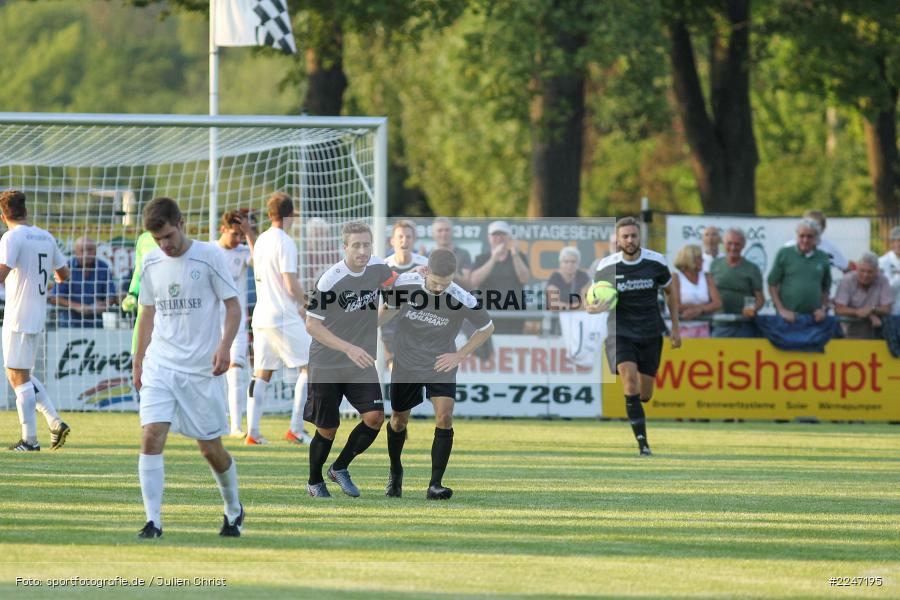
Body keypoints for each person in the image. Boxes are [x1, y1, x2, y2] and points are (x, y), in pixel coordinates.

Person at [132, 197, 244, 539]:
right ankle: (154, 521)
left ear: (180, 223)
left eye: (167, 236)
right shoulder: (151, 262)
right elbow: (147, 314)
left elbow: (234, 307)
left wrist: (224, 348)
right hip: (160, 365)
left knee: (210, 449)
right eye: (157, 239)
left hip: (200, 370)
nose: (163, 245)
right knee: (151, 435)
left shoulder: (209, 256)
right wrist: (137, 362)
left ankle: (233, 508)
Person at [378, 249, 494, 499]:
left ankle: (435, 485)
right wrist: (381, 313)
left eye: (446, 283)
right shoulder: (407, 284)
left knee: (445, 417)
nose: (440, 288)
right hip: (406, 362)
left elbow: (486, 328)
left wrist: (459, 354)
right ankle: (395, 472)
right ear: (426, 271)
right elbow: (384, 315)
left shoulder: (462, 297)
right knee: (398, 421)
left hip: (441, 363)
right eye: (435, 283)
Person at [304, 221, 397, 498]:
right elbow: (311, 325)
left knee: (375, 417)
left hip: (360, 360)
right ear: (344, 247)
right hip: (327, 362)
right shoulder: (330, 279)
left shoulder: (379, 268)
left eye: (366, 244)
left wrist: (386, 312)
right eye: (355, 245)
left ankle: (340, 467)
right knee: (328, 428)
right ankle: (314, 481)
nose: (362, 250)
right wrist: (348, 347)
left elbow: (395, 295)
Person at [588, 216, 681, 456]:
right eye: (625, 236)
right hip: (620, 332)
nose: (630, 240)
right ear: (617, 241)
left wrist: (676, 328)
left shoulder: (656, 263)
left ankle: (641, 428)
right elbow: (592, 298)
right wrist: (593, 307)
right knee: (629, 382)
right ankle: (643, 445)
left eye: (634, 236)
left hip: (650, 332)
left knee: (646, 395)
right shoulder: (606, 266)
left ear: (640, 237)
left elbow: (670, 293)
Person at [0, 190, 71, 452]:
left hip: (18, 314)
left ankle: (30, 441)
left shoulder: (11, 237)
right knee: (21, 374)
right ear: (25, 210)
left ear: (3, 214)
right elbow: (64, 275)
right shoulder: (45, 236)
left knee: (17, 376)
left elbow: (1, 273)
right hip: (37, 313)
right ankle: (54, 422)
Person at [247, 193, 313, 446]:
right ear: (291, 215)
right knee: (311, 366)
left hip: (261, 315)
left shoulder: (262, 239)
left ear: (269, 214)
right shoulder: (285, 242)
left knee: (261, 373)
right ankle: (296, 429)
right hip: (282, 315)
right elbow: (289, 282)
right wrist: (307, 301)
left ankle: (253, 432)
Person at [216, 210, 256, 439]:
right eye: (235, 234)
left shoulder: (243, 251)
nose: (237, 239)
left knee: (236, 372)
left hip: (237, 323)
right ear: (223, 229)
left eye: (241, 235)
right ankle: (213, 421)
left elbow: (259, 263)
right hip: (212, 323)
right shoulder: (210, 250)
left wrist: (249, 233)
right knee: (210, 374)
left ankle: (236, 426)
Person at [382, 220, 428, 366]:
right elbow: (387, 288)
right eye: (400, 236)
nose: (404, 240)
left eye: (408, 237)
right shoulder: (383, 266)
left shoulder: (425, 264)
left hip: (419, 330)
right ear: (392, 241)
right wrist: (411, 274)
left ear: (414, 240)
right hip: (390, 329)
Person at [470, 220, 529, 334]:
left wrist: (515, 254)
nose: (499, 238)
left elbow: (524, 279)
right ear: (489, 237)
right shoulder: (481, 258)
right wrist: (493, 258)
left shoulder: (519, 257)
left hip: (514, 314)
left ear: (508, 238)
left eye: (502, 234)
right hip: (488, 315)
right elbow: (474, 281)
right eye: (495, 235)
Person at [768, 219, 831, 323]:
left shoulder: (823, 257)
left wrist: (822, 309)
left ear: (816, 238)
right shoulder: (784, 253)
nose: (805, 240)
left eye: (809, 236)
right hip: (788, 319)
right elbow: (772, 285)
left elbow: (826, 288)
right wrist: (781, 310)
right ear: (797, 235)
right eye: (802, 236)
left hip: (813, 320)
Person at [49, 236, 118, 328]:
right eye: (82, 250)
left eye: (90, 250)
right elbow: (54, 297)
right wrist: (77, 306)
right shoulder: (65, 267)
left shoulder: (103, 267)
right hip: (69, 325)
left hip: (95, 325)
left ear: (96, 251)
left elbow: (111, 294)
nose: (87, 253)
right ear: (76, 252)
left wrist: (105, 304)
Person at [709, 228, 764, 337]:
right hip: (720, 324)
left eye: (737, 244)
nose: (733, 248)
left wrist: (751, 310)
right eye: (729, 243)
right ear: (723, 244)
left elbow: (760, 299)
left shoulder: (752, 269)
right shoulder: (714, 265)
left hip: (744, 325)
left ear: (743, 246)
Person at [833, 253, 893, 339]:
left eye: (870, 272)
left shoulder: (883, 280)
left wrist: (871, 310)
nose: (865, 275)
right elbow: (838, 309)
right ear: (857, 269)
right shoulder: (847, 279)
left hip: (875, 336)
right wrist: (860, 312)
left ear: (877, 271)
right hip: (847, 335)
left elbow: (887, 308)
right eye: (862, 270)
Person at [670, 244, 722, 338]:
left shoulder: (707, 276)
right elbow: (675, 306)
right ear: (689, 259)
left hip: (704, 328)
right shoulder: (675, 277)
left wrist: (699, 310)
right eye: (699, 258)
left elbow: (718, 303)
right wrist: (705, 307)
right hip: (681, 328)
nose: (703, 260)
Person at [122, 231, 159, 354]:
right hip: (147, 303)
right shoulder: (143, 239)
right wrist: (132, 293)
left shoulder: (175, 235)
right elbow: (139, 270)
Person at [785, 209, 850, 273]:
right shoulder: (789, 247)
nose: (813, 229)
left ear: (823, 228)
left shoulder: (830, 249)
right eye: (809, 225)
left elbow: (847, 269)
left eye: (817, 226)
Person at [430, 217, 473, 288]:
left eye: (447, 230)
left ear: (453, 232)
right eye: (440, 230)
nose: (444, 233)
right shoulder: (426, 255)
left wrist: (451, 271)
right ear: (433, 234)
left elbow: (467, 283)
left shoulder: (463, 254)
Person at [546, 246, 591, 311]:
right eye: (566, 262)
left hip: (579, 317)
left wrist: (564, 306)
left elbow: (586, 303)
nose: (570, 265)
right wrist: (574, 307)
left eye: (573, 262)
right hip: (558, 317)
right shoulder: (555, 277)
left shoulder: (583, 277)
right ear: (560, 263)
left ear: (578, 263)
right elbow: (553, 304)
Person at [878, 226, 900, 315]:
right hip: (892, 313)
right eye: (897, 241)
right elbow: (887, 288)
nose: (899, 244)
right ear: (891, 243)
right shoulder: (883, 261)